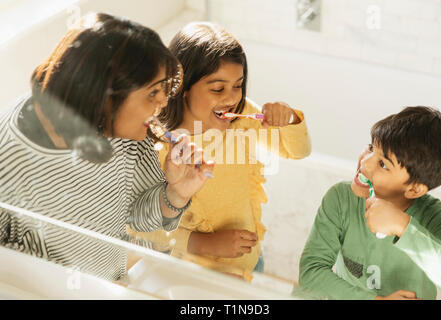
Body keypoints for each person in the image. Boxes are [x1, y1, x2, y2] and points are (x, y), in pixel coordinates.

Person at [0, 13, 213, 281]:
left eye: (162, 90)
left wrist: (176, 194)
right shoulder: (7, 156)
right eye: (152, 93)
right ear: (105, 95)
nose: (162, 103)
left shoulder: (125, 132)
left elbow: (138, 219)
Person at [127, 22, 311, 281]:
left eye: (238, 85)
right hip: (188, 267)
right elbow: (141, 227)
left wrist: (290, 119)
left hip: (245, 258)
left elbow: (298, 152)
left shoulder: (243, 116)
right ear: (183, 88)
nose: (231, 97)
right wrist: (203, 243)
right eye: (217, 88)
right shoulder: (161, 146)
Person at [295, 106, 441, 300]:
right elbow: (311, 273)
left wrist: (404, 227)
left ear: (414, 189)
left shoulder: (436, 219)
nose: (365, 163)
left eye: (383, 164)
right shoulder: (341, 198)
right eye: (370, 148)